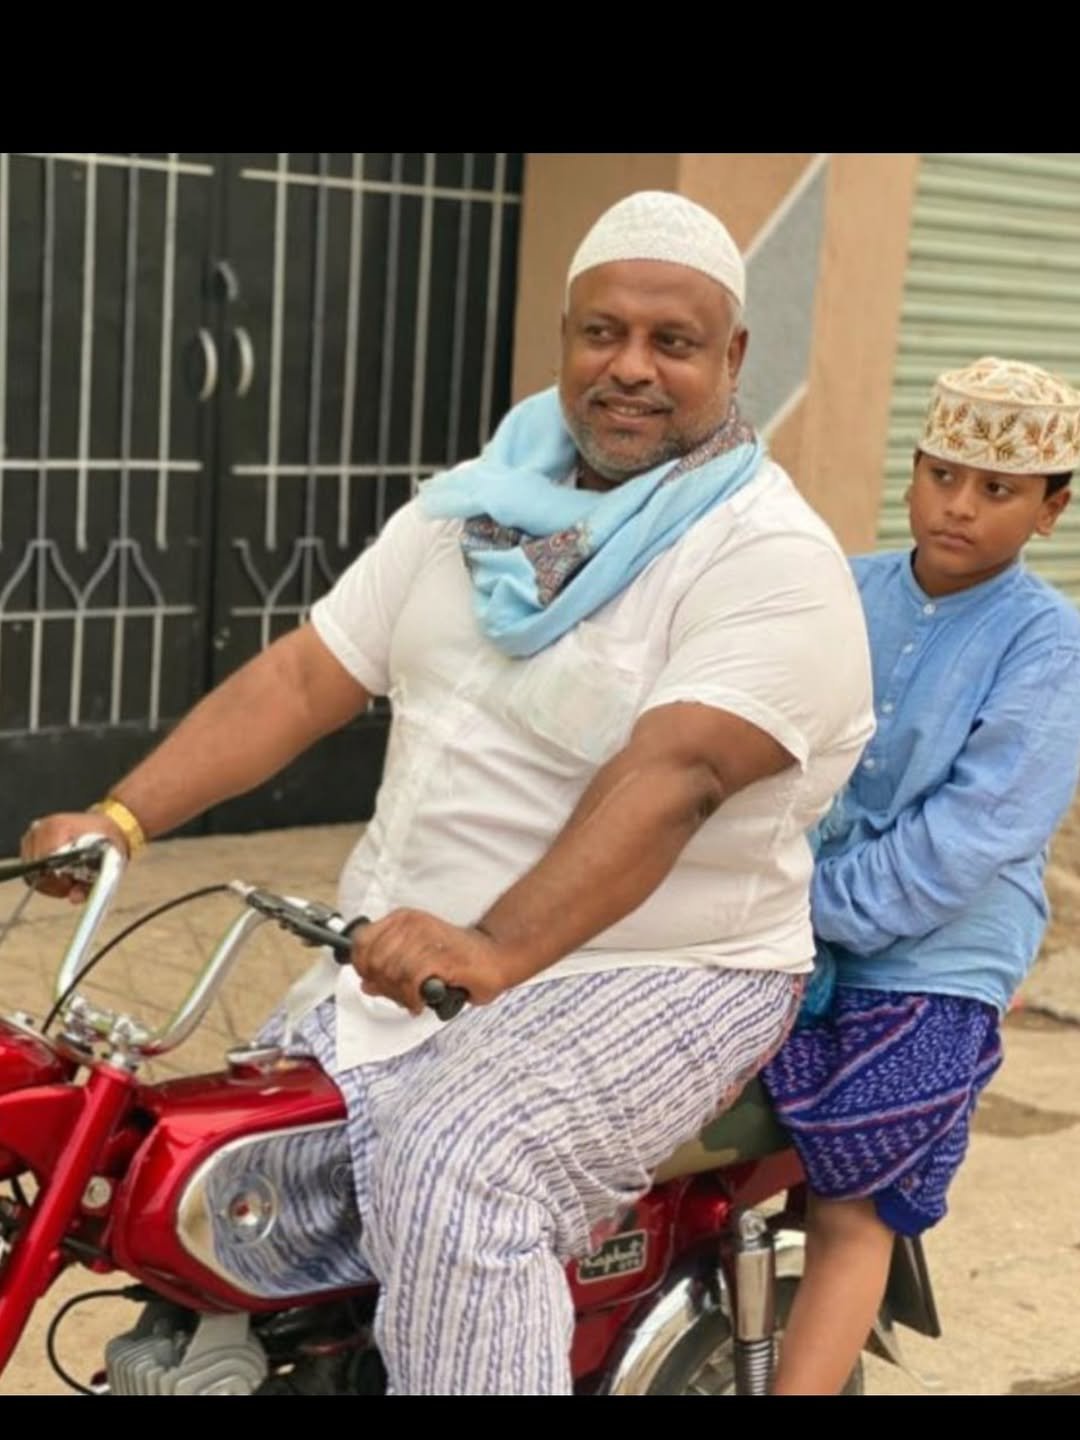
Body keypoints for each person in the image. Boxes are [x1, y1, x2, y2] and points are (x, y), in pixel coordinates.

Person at [23, 191, 873, 1395]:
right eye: (602, 333)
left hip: (657, 967)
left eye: (671, 343)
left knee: (456, 1162)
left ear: (731, 357)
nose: (629, 369)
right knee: (207, 1175)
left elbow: (672, 777)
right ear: (565, 337)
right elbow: (307, 676)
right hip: (407, 948)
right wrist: (120, 819)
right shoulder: (474, 510)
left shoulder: (767, 560)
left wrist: (495, 944)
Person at [762, 356, 1080, 1396]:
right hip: (781, 924)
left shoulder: (1051, 645)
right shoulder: (835, 590)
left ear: (1051, 509)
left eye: (998, 489)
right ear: (913, 471)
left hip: (939, 952)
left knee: (858, 1201)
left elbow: (973, 837)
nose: (960, 506)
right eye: (944, 474)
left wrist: (800, 907)